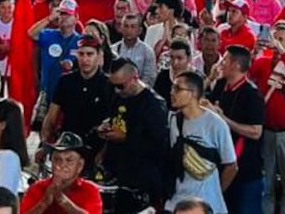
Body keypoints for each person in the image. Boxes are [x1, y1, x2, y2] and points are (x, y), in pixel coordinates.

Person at [249, 22, 285, 214]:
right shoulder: (264, 62)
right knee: (267, 188)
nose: (276, 42)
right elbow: (251, 72)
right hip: (267, 132)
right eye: (275, 38)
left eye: (281, 39)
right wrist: (257, 50)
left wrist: (283, 53)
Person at [100, 58, 170, 211]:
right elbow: (115, 118)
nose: (117, 90)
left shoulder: (154, 105)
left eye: (120, 86)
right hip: (117, 170)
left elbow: (159, 144)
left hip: (141, 177)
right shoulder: (119, 96)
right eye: (113, 86)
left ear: (134, 78)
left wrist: (125, 138)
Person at [203, 45, 265, 213]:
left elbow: (256, 131)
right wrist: (209, 79)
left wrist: (224, 120)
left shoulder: (252, 94)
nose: (221, 63)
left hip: (246, 170)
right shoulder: (221, 84)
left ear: (236, 65)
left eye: (225, 60)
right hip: (221, 165)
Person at [166, 72, 238, 214]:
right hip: (177, 202)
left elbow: (231, 166)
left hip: (207, 204)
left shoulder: (215, 124)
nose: (172, 93)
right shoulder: (174, 120)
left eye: (178, 89)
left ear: (193, 93)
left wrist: (216, 191)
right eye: (172, 88)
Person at [41, 35, 112, 160]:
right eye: (81, 54)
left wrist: (103, 154)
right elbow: (51, 116)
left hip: (95, 148)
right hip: (66, 146)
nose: (85, 59)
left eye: (89, 54)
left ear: (99, 56)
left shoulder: (109, 85)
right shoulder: (65, 81)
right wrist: (44, 144)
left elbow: (113, 124)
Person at [20, 132, 102, 214]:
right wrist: (44, 202)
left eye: (69, 160)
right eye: (57, 160)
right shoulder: (37, 188)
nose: (62, 165)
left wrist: (61, 199)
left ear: (80, 165)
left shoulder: (90, 190)